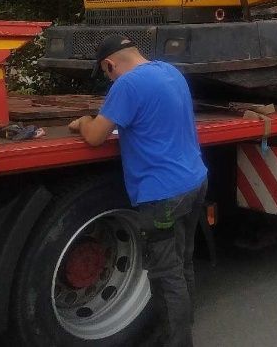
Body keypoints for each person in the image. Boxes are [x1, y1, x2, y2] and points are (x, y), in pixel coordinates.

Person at [69, 34, 207, 347]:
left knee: (166, 274)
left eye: (106, 73)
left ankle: (177, 342)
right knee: (182, 263)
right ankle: (183, 328)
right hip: (195, 180)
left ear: (109, 64)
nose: (109, 79)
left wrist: (83, 121)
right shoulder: (169, 71)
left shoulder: (127, 85)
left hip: (163, 195)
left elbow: (95, 136)